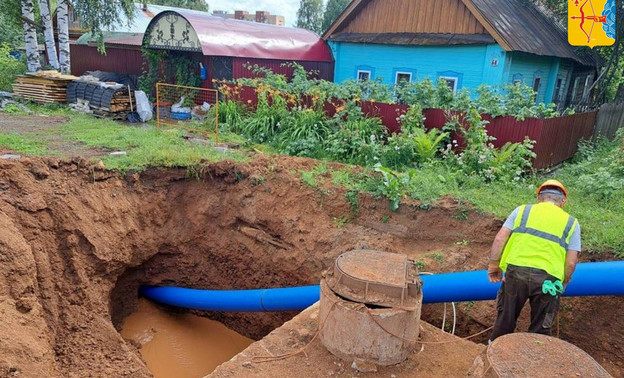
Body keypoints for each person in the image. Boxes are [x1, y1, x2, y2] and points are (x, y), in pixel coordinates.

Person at [487, 179, 581, 341]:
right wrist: (564, 280)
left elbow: (499, 240)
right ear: (563, 201)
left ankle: (490, 357)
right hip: (548, 281)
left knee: (505, 321)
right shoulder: (572, 223)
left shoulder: (521, 211)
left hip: (516, 273)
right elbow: (571, 262)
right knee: (540, 330)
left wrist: (494, 265)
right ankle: (533, 362)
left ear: (539, 198)